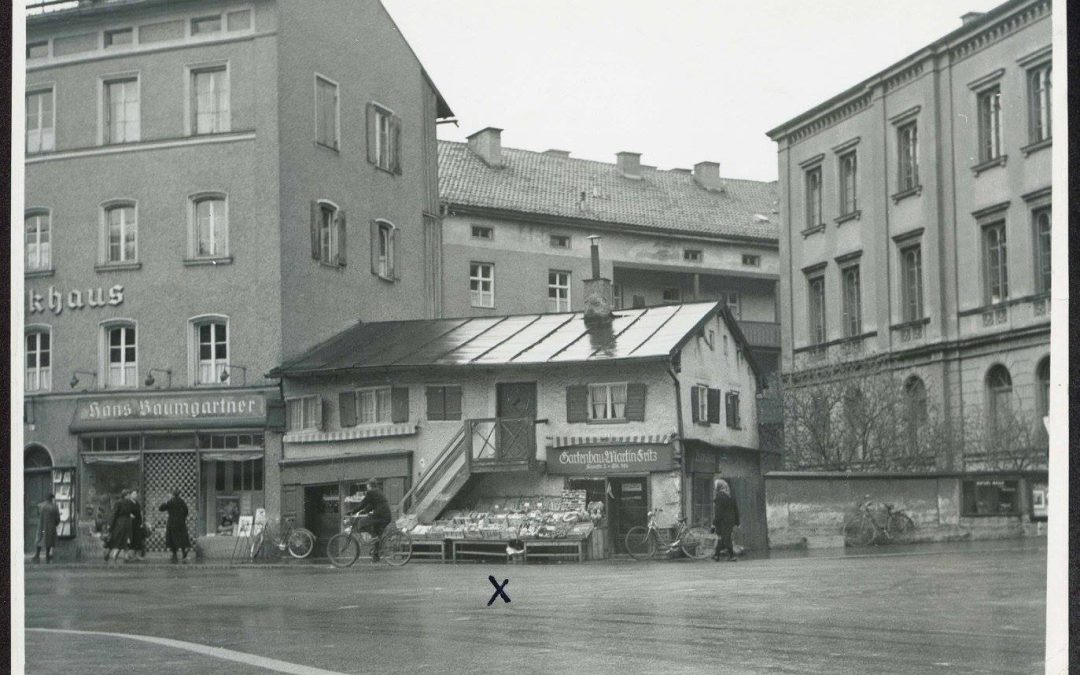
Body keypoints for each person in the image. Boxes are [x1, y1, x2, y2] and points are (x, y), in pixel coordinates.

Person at [348, 480, 392, 562]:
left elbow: (363, 503)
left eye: (367, 485)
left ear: (369, 485)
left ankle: (375, 538)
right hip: (386, 516)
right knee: (376, 535)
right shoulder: (378, 492)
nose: (366, 487)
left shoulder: (371, 492)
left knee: (362, 523)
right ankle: (376, 557)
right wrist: (362, 512)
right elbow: (371, 506)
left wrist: (353, 511)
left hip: (381, 515)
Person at [159, 490, 192, 564]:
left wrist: (165, 501)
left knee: (172, 538)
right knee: (182, 538)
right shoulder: (182, 501)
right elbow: (186, 511)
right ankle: (184, 553)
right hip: (181, 522)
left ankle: (174, 554)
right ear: (179, 494)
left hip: (172, 522)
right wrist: (182, 517)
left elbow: (161, 509)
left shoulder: (170, 502)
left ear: (173, 495)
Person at [105, 489, 137, 565]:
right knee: (124, 541)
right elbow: (127, 512)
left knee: (117, 541)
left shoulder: (118, 503)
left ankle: (113, 556)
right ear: (126, 495)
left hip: (120, 524)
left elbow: (114, 514)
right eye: (128, 494)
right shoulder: (129, 503)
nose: (129, 496)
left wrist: (110, 524)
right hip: (126, 524)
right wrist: (129, 515)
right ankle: (118, 557)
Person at [712, 479, 740, 562]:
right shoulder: (730, 496)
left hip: (723, 521)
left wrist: (714, 523)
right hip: (730, 521)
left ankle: (731, 556)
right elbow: (736, 510)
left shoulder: (719, 497)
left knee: (725, 538)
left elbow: (718, 512)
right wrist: (737, 522)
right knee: (722, 538)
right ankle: (716, 555)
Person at [32, 494, 61, 563]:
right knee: (49, 540)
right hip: (50, 528)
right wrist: (54, 524)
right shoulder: (54, 507)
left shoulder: (40, 506)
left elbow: (37, 515)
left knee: (40, 538)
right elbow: (58, 519)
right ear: (51, 498)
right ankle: (47, 555)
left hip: (42, 528)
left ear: (46, 498)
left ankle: (37, 555)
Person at [127, 490, 147, 561]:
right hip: (131, 523)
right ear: (131, 495)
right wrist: (129, 514)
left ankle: (137, 555)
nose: (136, 495)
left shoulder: (137, 503)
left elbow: (140, 513)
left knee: (138, 538)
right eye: (134, 494)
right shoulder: (129, 502)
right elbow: (125, 511)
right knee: (132, 538)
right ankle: (131, 556)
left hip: (137, 523)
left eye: (136, 494)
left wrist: (141, 522)